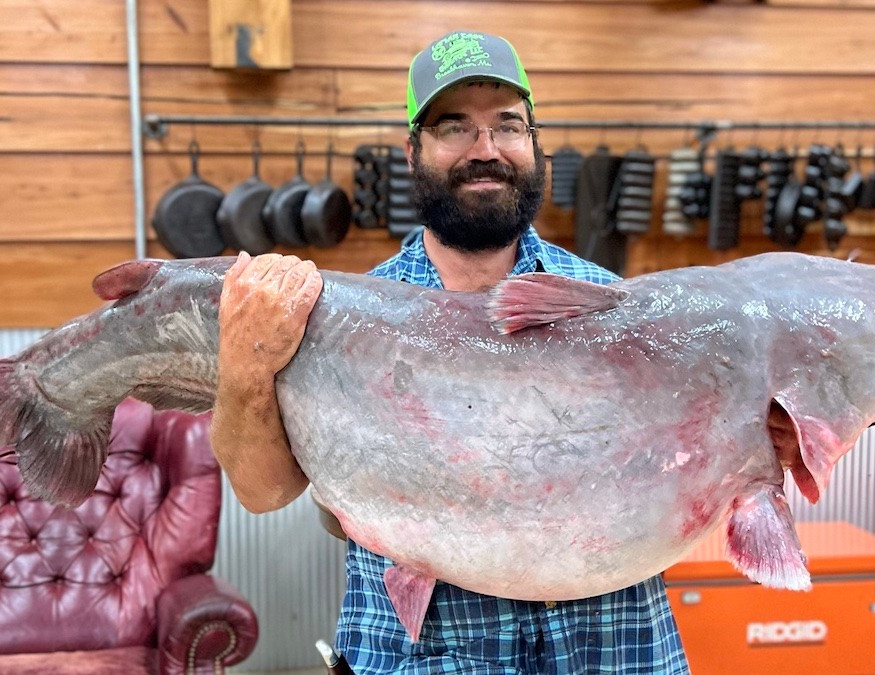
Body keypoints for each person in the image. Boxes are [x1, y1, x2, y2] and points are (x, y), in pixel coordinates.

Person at [211, 30, 690, 674]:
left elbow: (684, 470)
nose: (485, 150)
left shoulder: (615, 309)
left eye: (508, 126)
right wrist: (244, 366)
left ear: (534, 145)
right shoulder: (341, 316)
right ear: (414, 152)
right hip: (419, 656)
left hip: (610, 650)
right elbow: (263, 492)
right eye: (455, 127)